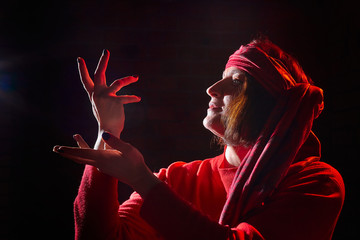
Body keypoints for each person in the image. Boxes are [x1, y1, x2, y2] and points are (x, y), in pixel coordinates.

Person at [53, 37, 345, 240]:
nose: (212, 88)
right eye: (221, 76)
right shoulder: (178, 179)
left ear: (269, 106)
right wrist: (107, 134)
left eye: (236, 82)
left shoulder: (316, 182)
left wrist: (143, 180)